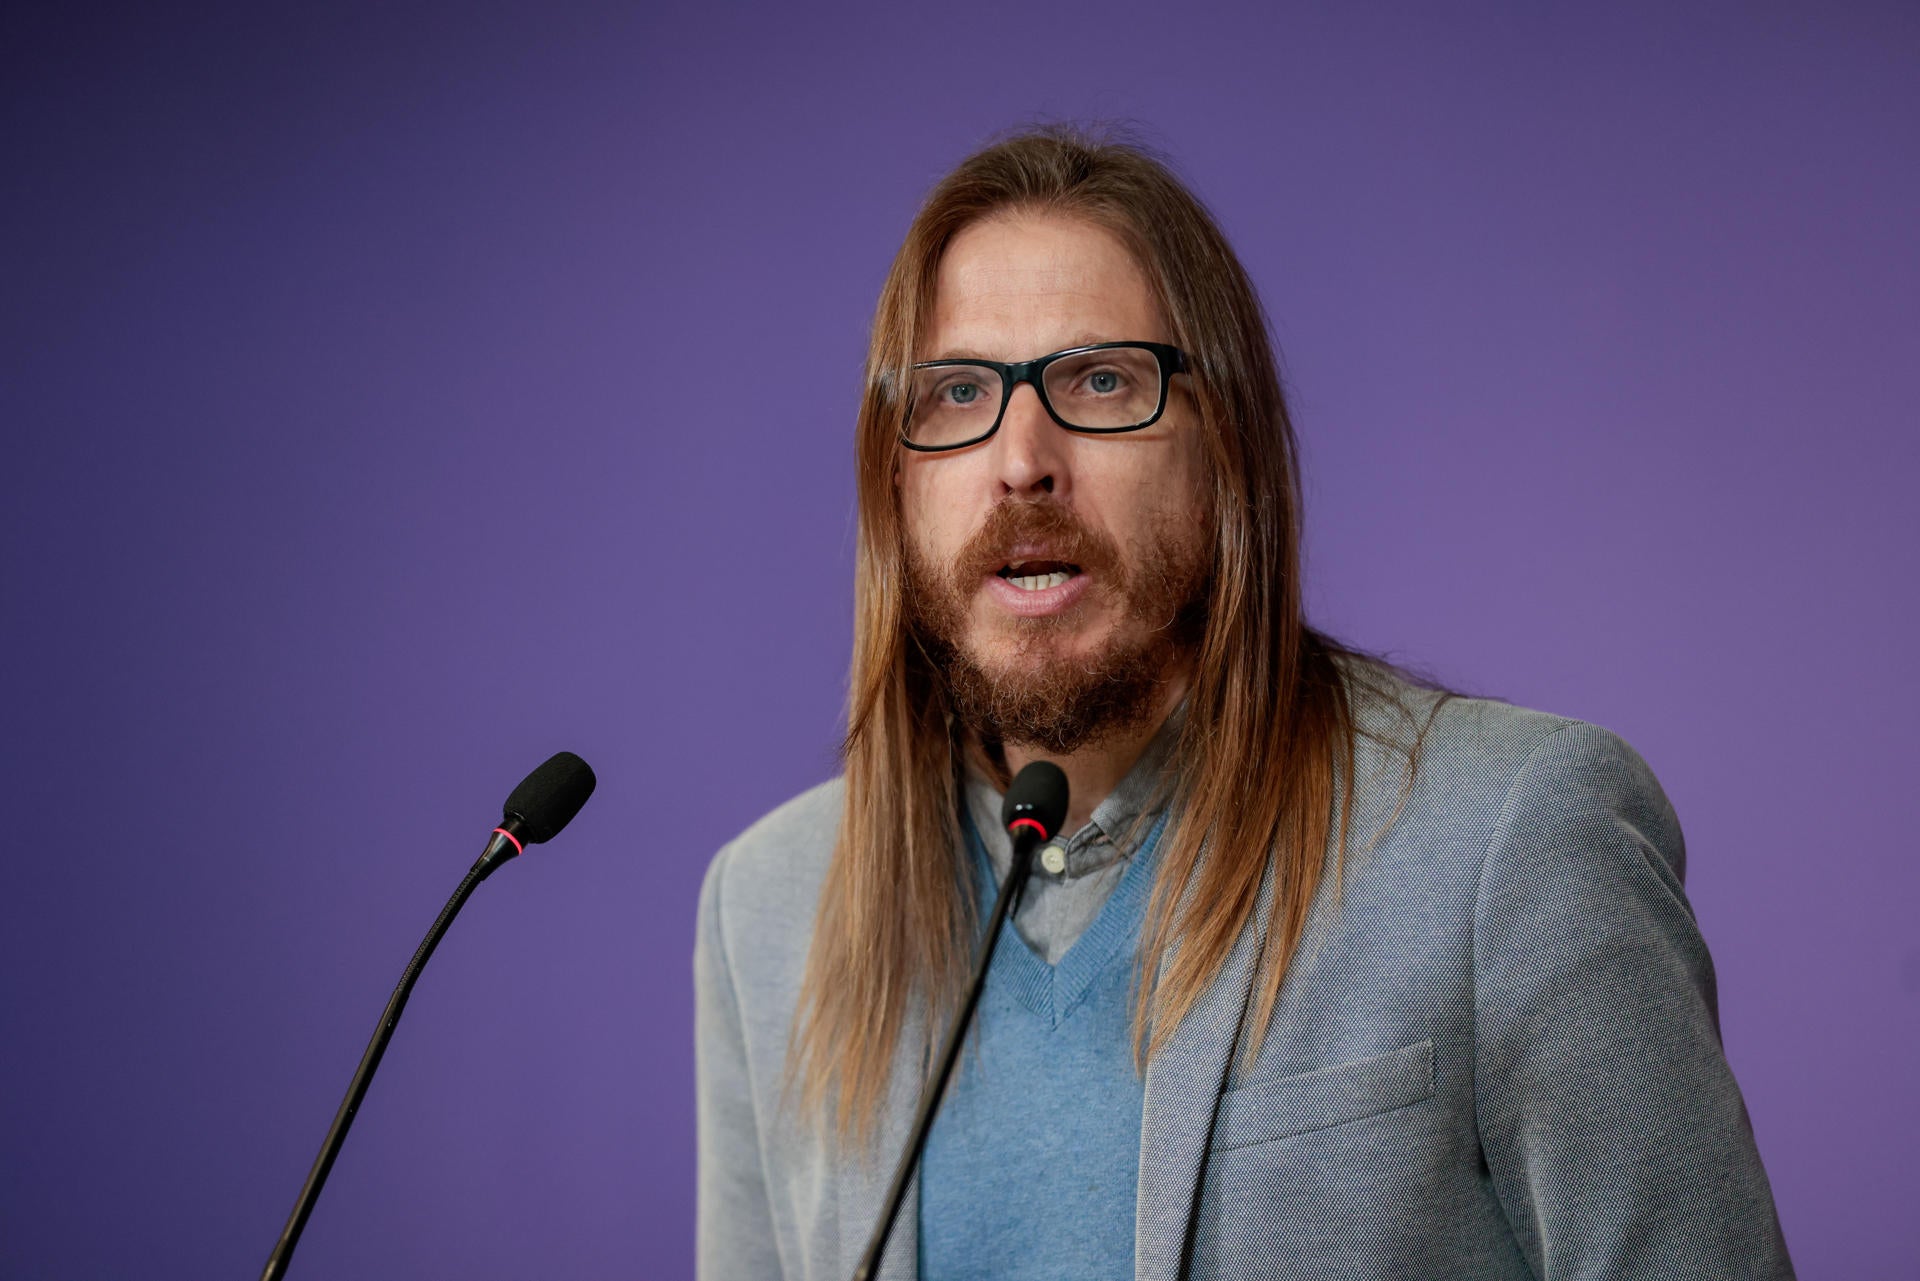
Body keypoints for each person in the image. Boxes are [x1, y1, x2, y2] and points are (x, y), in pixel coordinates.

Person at [693, 126, 1793, 1280]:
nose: (1022, 458)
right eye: (958, 392)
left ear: (1226, 449)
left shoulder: (1508, 840)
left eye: (1100, 380)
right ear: (894, 476)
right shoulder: (766, 912)